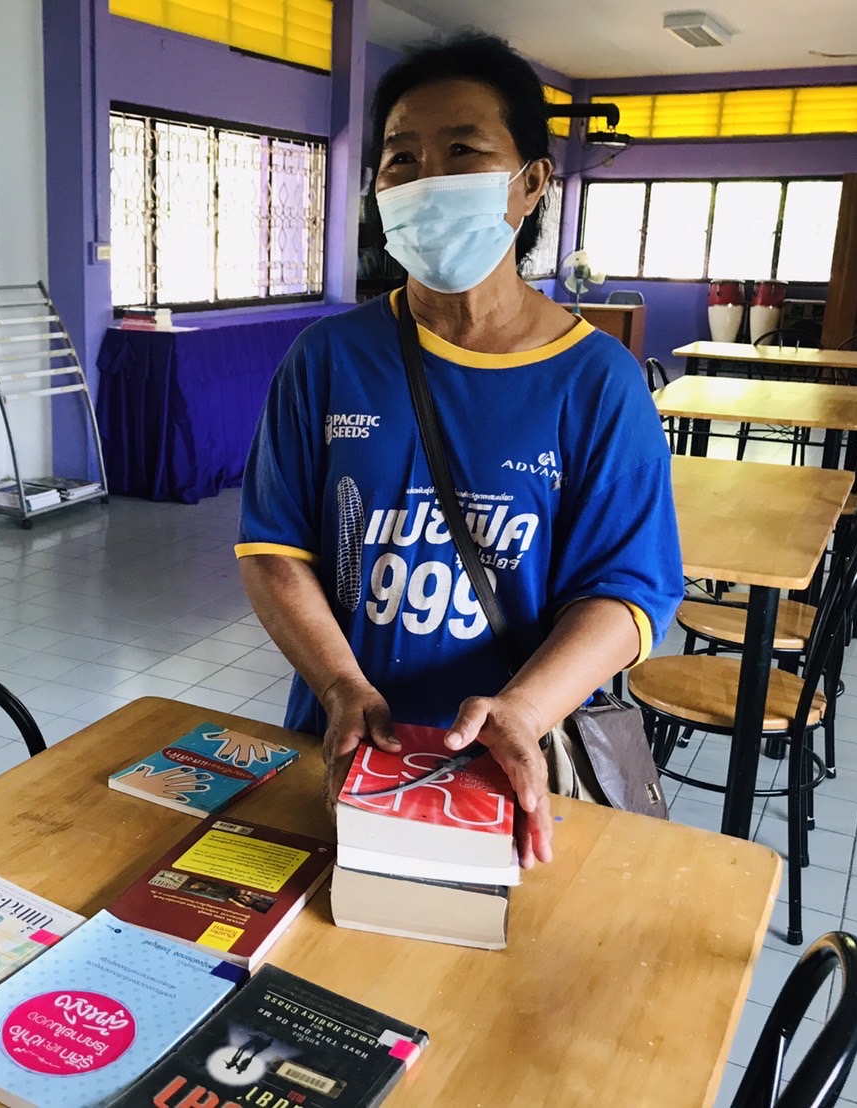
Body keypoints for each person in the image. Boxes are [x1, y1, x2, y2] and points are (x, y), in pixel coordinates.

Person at [235, 31, 682, 870]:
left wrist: (526, 709)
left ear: (532, 183)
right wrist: (339, 684)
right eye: (401, 158)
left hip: (509, 766)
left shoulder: (596, 382)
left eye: (463, 151)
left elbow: (627, 592)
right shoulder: (328, 359)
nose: (427, 179)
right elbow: (273, 549)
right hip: (341, 747)